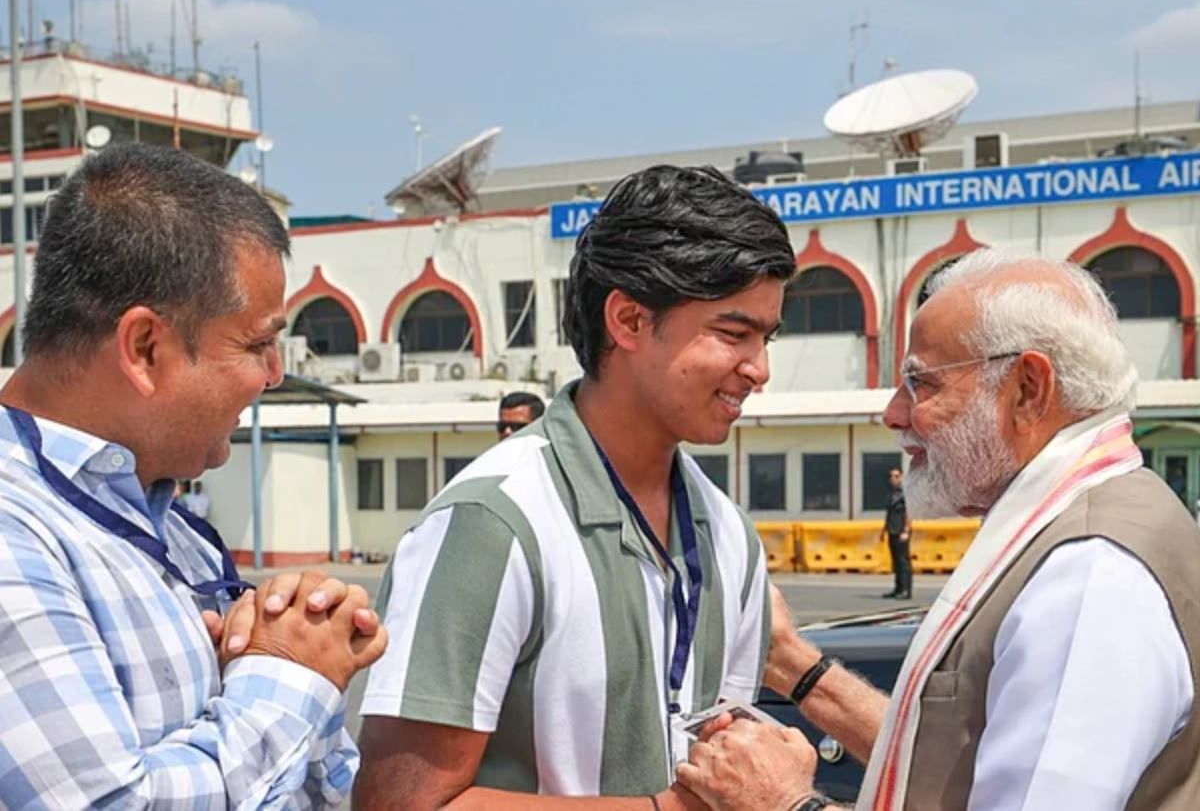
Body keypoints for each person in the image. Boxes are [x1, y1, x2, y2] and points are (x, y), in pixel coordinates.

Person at [677, 249, 1200, 810]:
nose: (894, 414)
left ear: (1027, 388)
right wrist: (799, 668)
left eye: (921, 385)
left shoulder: (1089, 577)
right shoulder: (1083, 517)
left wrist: (782, 803)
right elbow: (961, 766)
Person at [355, 165, 796, 808]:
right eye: (733, 333)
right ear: (629, 319)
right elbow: (401, 804)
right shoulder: (494, 521)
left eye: (766, 336)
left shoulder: (728, 534)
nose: (759, 368)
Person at [0, 143, 388, 808]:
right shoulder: (17, 530)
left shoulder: (170, 528)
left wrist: (304, 633)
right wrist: (292, 676)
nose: (271, 375)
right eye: (257, 344)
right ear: (145, 348)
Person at [880, 467, 911, 599]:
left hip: (901, 531)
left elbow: (909, 513)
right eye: (892, 476)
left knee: (903, 562)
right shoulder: (891, 494)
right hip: (892, 530)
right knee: (896, 562)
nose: (894, 479)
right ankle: (898, 588)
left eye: (897, 476)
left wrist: (906, 530)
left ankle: (905, 590)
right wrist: (883, 530)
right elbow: (889, 514)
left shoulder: (905, 493)